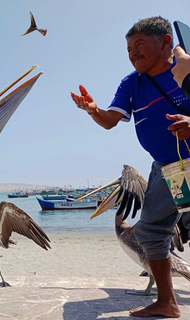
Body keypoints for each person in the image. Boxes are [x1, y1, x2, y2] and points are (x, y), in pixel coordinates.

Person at [71, 16, 190, 318]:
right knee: (149, 231)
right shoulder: (131, 83)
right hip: (168, 169)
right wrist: (93, 109)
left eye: (140, 45)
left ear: (166, 42)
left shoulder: (186, 71)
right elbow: (111, 121)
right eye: (128, 49)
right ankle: (168, 302)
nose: (133, 53)